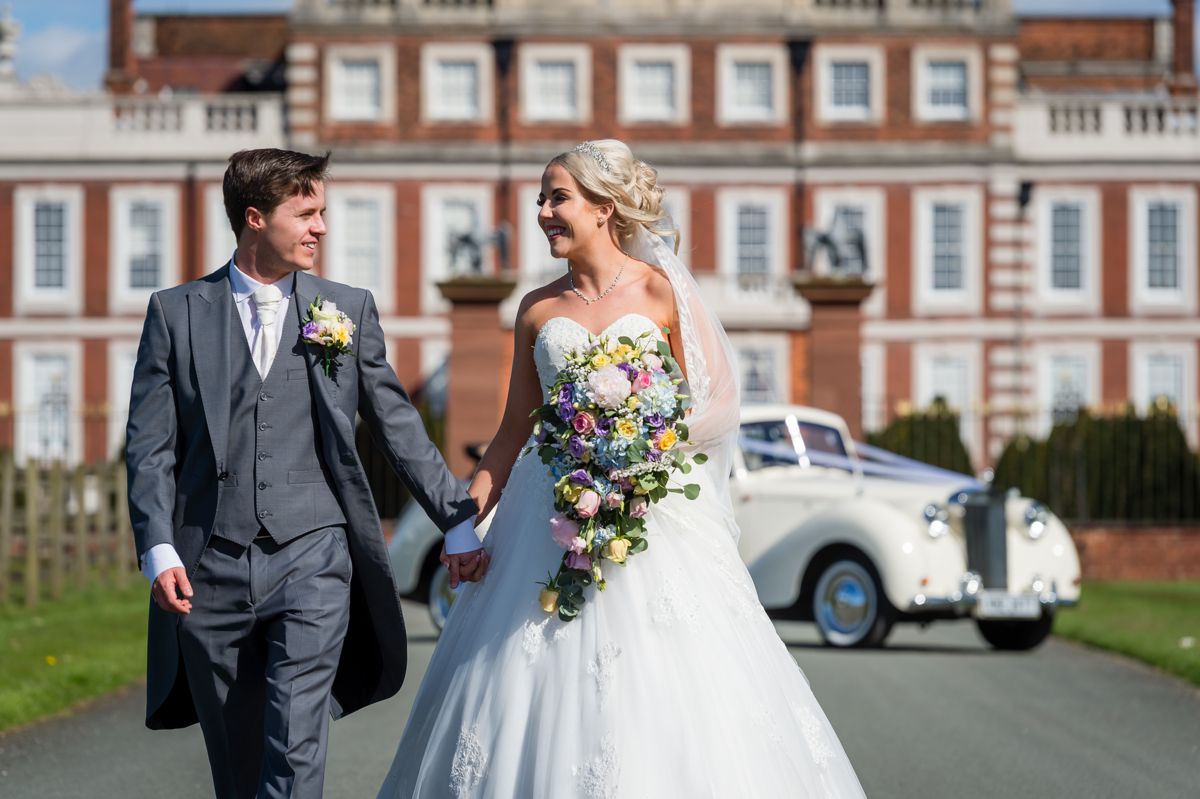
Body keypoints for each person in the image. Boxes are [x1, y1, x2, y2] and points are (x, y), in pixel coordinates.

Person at [378, 140, 866, 797]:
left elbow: (714, 406)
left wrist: (637, 450)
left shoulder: (661, 293)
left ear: (604, 208)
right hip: (544, 520)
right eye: (542, 199)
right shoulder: (537, 310)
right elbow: (508, 434)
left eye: (558, 197)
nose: (543, 210)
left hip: (649, 515)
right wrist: (466, 525)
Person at [125, 147, 488, 799]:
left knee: (293, 745)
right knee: (236, 766)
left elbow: (398, 425)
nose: (322, 226)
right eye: (308, 212)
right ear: (256, 218)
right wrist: (156, 545)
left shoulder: (344, 309)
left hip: (314, 559)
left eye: (324, 211)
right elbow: (151, 447)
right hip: (209, 566)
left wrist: (458, 521)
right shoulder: (175, 312)